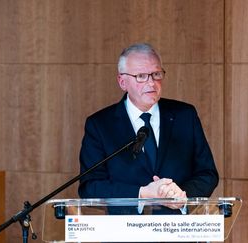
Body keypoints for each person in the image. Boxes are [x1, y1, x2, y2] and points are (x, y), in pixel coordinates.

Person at [78, 43, 219, 210]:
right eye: (141, 76)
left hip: (177, 231)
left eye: (156, 74)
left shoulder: (184, 115)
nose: (151, 83)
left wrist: (182, 195)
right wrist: (141, 193)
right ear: (122, 82)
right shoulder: (100, 125)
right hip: (125, 231)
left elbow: (207, 173)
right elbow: (90, 187)